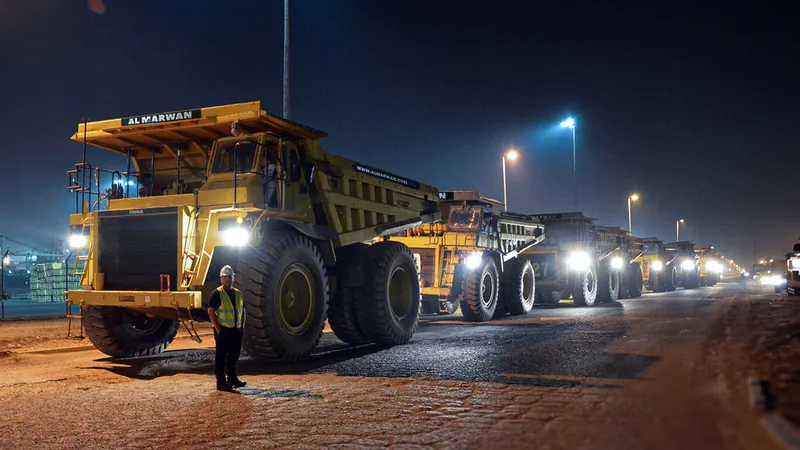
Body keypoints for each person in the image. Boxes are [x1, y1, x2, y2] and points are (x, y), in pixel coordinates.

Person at [208, 265, 246, 392]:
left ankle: (232, 379)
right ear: (221, 279)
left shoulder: (238, 294)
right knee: (221, 357)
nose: (228, 279)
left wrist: (242, 327)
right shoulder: (217, 294)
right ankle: (221, 382)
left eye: (229, 277)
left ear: (233, 278)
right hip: (224, 330)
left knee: (234, 355)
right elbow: (211, 311)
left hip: (236, 330)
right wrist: (218, 329)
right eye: (225, 277)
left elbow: (243, 311)